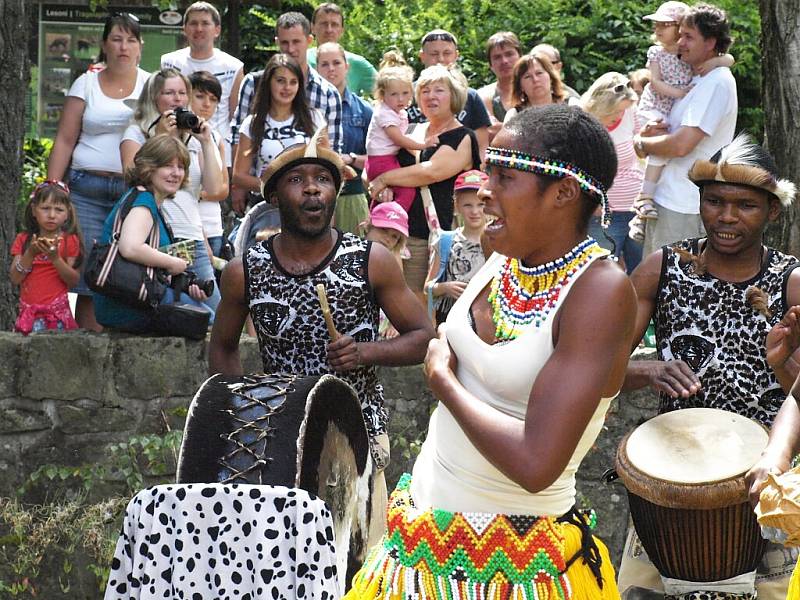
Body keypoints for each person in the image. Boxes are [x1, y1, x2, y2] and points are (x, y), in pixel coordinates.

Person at [346, 104, 635, 600]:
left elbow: (536, 463)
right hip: (416, 548)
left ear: (563, 193)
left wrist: (444, 384)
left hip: (517, 571)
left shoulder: (600, 290)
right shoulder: (503, 256)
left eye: (503, 177)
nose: (483, 191)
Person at [208, 132, 435, 550]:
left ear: (335, 193)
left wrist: (365, 352)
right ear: (274, 197)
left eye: (323, 180)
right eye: (297, 180)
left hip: (358, 431)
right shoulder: (247, 269)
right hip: (281, 432)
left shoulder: (371, 260)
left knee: (355, 559)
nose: (313, 188)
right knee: (286, 559)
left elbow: (424, 337)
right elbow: (221, 347)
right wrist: (246, 411)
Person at [619, 133, 800, 599]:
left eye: (745, 205)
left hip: (766, 482)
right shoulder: (663, 269)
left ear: (773, 212)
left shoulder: (791, 282)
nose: (726, 216)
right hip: (671, 485)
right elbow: (597, 370)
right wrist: (645, 371)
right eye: (715, 201)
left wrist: (781, 369)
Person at [46, 12, 149, 332]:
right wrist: (52, 186)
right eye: (116, 39)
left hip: (132, 193)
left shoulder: (151, 83)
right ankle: (90, 346)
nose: (123, 47)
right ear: (104, 44)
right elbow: (64, 139)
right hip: (85, 189)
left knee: (130, 271)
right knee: (88, 275)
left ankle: (122, 344)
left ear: (140, 47)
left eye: (131, 40)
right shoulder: (85, 82)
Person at [367, 65, 481, 304]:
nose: (430, 96)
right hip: (392, 232)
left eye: (439, 90)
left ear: (454, 96)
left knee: (419, 303)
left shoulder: (463, 137)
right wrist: (378, 183)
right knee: (386, 301)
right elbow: (375, 163)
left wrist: (385, 179)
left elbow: (431, 172)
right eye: (425, 91)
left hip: (433, 237)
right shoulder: (408, 130)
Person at [121, 68, 227, 320]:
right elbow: (131, 180)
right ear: (154, 97)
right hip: (158, 240)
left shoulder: (194, 134)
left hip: (192, 241)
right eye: (169, 92)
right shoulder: (138, 131)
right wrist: (160, 139)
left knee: (218, 316)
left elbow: (212, 189)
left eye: (182, 92)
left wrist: (205, 142)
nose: (177, 99)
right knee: (174, 316)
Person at [633, 3, 737, 257]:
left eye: (688, 36)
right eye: (679, 35)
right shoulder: (697, 77)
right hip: (669, 200)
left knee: (672, 289)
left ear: (710, 42)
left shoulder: (717, 81)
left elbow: (681, 144)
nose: (680, 42)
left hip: (685, 205)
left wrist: (641, 145)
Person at [228, 11, 344, 213]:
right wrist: (244, 188)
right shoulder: (252, 91)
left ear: (309, 40)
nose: (290, 49)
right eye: (284, 43)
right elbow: (238, 150)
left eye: (296, 42)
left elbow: (331, 158)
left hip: (310, 203)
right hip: (266, 202)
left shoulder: (325, 97)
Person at [94, 135, 204, 335]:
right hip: (127, 304)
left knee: (200, 309)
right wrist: (172, 263)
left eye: (180, 167)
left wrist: (186, 287)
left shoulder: (146, 199)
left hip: (130, 297)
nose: (176, 173)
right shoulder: (144, 201)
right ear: (149, 168)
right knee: (209, 319)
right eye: (167, 166)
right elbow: (130, 247)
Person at [231, 53, 325, 233]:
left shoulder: (314, 119)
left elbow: (327, 163)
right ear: (269, 83)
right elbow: (239, 176)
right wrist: (276, 187)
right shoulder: (252, 123)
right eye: (281, 81)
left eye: (293, 82)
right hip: (268, 207)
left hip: (309, 205)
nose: (287, 87)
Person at [160, 1, 243, 165]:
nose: (199, 29)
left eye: (205, 23)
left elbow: (236, 119)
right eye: (193, 23)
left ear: (217, 30)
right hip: (177, 151)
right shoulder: (168, 63)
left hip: (218, 154)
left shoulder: (233, 67)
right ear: (184, 29)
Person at [581, 72, 644, 273]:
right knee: (601, 272)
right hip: (604, 214)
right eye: (616, 111)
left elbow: (644, 150)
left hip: (636, 209)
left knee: (641, 273)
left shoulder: (630, 111)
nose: (620, 116)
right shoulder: (583, 122)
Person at [365, 51, 438, 213]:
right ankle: (395, 218)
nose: (400, 99)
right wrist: (423, 145)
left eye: (405, 94)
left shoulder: (397, 112)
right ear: (382, 96)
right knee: (406, 191)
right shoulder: (384, 113)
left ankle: (375, 217)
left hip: (386, 159)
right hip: (381, 161)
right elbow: (399, 139)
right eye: (394, 94)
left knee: (386, 194)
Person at [406, 29, 492, 158]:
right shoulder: (403, 93)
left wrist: (476, 175)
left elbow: (482, 147)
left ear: (456, 56)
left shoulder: (471, 96)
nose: (440, 59)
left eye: (447, 53)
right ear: (422, 56)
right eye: (434, 54)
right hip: (410, 169)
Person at [10, 181, 81, 335]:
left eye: (59, 210)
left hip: (58, 316)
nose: (52, 215)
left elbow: (73, 280)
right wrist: (30, 253)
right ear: (34, 210)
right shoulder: (23, 240)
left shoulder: (70, 240)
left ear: (68, 213)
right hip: (28, 316)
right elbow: (15, 278)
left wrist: (55, 259)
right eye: (45, 208)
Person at [316, 41, 373, 234]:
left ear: (346, 66)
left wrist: (351, 159)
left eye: (336, 63)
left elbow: (378, 159)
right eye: (324, 64)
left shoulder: (364, 110)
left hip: (352, 195)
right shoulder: (308, 106)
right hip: (314, 196)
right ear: (316, 68)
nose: (331, 69)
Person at [424, 169, 488, 324]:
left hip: (485, 318)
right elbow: (427, 287)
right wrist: (445, 287)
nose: (475, 211)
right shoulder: (445, 241)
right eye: (467, 205)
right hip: (451, 319)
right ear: (457, 205)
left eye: (481, 204)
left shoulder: (500, 242)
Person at [189, 71, 229, 259]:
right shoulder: (178, 136)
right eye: (199, 96)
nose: (206, 104)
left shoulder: (215, 137)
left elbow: (223, 189)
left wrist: (198, 194)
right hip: (188, 227)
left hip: (214, 226)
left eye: (213, 99)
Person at [306, 2, 378, 97]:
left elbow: (389, 88)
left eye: (334, 25)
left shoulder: (356, 63)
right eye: (324, 24)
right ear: (313, 28)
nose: (329, 30)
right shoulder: (303, 60)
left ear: (342, 30)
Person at [363, 201, 409, 339]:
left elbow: (400, 298)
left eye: (395, 236)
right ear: (369, 226)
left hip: (379, 326)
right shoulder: (348, 252)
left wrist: (394, 324)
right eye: (383, 230)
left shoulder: (390, 264)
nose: (388, 238)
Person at [477, 31, 522, 142]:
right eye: (497, 57)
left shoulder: (535, 91)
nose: (504, 61)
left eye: (509, 54)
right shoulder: (482, 96)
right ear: (490, 65)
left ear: (520, 57)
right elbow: (486, 133)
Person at [503, 51, 566, 122]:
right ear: (521, 87)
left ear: (551, 78)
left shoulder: (571, 105)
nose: (535, 80)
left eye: (539, 73)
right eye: (527, 77)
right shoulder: (514, 116)